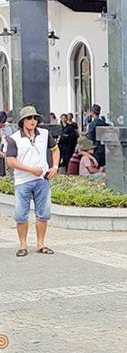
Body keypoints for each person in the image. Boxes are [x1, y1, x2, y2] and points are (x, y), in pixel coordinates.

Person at [5, 106, 60, 257]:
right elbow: (10, 161)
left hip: (42, 179)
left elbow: (55, 149)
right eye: (29, 118)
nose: (33, 121)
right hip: (23, 181)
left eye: (35, 118)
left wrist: (55, 166)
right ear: (23, 121)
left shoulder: (44, 134)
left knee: (43, 213)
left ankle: (41, 244)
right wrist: (29, 170)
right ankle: (23, 245)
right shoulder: (13, 138)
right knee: (21, 215)